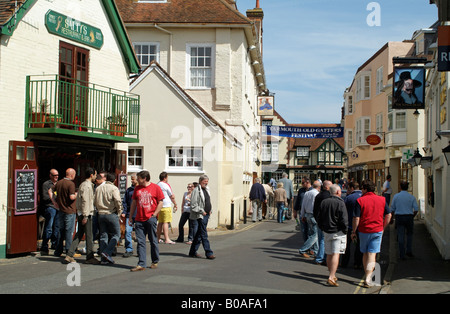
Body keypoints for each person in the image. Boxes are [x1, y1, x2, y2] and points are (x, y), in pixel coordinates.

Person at [352, 180, 392, 288]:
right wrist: (383, 227)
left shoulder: (360, 200)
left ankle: (367, 275)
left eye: (362, 189)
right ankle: (369, 278)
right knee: (372, 254)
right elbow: (388, 215)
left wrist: (353, 231)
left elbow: (356, 218)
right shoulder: (382, 200)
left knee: (365, 253)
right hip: (377, 230)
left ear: (365, 189)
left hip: (364, 230)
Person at [129, 170, 164, 271]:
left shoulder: (155, 188)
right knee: (140, 242)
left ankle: (155, 260)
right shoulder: (137, 189)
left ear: (144, 178)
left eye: (139, 178)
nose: (137, 180)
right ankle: (141, 264)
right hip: (139, 219)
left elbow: (160, 202)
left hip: (150, 218)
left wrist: (154, 215)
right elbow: (134, 203)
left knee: (153, 240)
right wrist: (131, 217)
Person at [64, 167, 100, 264]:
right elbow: (85, 201)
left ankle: (69, 254)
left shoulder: (83, 184)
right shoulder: (87, 186)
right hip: (86, 213)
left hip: (82, 212)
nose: (96, 177)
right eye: (95, 175)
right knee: (89, 235)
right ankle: (89, 257)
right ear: (91, 175)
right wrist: (85, 216)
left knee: (79, 234)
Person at [317, 184, 348, 287]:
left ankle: (331, 274)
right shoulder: (340, 203)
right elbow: (344, 219)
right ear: (338, 192)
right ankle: (331, 276)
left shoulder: (324, 202)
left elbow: (319, 217)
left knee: (329, 254)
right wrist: (345, 230)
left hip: (326, 231)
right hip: (337, 232)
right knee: (336, 254)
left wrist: (322, 227)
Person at [94, 172, 123, 264]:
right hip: (111, 213)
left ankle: (103, 259)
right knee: (116, 234)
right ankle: (107, 252)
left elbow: (94, 200)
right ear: (114, 180)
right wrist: (119, 211)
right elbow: (118, 200)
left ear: (106, 179)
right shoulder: (114, 188)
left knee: (103, 235)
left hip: (100, 213)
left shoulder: (98, 188)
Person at [189, 175, 215, 260]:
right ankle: (209, 253)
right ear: (200, 181)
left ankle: (192, 252)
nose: (206, 183)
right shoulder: (196, 191)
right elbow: (193, 205)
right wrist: (202, 211)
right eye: (205, 181)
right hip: (201, 215)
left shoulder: (206, 190)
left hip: (206, 214)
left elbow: (207, 201)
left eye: (207, 181)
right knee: (204, 234)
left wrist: (210, 210)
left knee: (199, 234)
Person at [390, 181, 419, 260]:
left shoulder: (396, 196)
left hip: (399, 217)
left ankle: (401, 254)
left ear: (400, 187)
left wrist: (391, 218)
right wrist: (412, 216)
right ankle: (409, 251)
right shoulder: (411, 197)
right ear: (407, 187)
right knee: (409, 235)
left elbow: (392, 208)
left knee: (400, 235)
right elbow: (416, 209)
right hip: (409, 216)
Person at [52, 168, 77, 257]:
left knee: (61, 231)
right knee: (69, 231)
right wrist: (77, 194)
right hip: (69, 210)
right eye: (74, 174)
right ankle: (69, 251)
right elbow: (71, 197)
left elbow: (51, 191)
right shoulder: (71, 184)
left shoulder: (59, 182)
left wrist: (54, 202)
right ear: (71, 175)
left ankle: (58, 251)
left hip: (61, 210)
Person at [342, 182, 363, 269]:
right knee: (358, 246)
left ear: (351, 188)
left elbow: (343, 211)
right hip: (360, 225)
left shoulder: (348, 198)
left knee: (346, 246)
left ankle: (344, 263)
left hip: (349, 225)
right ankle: (357, 263)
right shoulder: (363, 197)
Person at [298, 180, 321, 258]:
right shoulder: (317, 194)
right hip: (313, 215)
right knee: (315, 235)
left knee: (313, 234)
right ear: (319, 187)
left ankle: (315, 251)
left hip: (307, 214)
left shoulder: (307, 193)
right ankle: (303, 249)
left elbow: (303, 205)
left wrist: (302, 215)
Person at [40, 169, 60, 255]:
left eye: (57, 175)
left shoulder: (59, 184)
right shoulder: (46, 184)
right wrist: (54, 197)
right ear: (50, 176)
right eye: (55, 175)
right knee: (49, 227)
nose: (56, 177)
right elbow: (45, 197)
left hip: (57, 207)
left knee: (56, 226)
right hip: (50, 207)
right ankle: (44, 245)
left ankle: (54, 243)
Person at [313, 180, 332, 266]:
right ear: (327, 187)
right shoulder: (328, 196)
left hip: (319, 220)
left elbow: (315, 209)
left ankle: (320, 257)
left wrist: (317, 218)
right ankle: (321, 258)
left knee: (321, 238)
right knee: (323, 240)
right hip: (325, 221)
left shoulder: (318, 195)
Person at [157, 172, 177, 244]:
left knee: (160, 223)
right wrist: (175, 203)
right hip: (166, 205)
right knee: (166, 222)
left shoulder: (157, 185)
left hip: (159, 205)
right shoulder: (166, 185)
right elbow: (171, 196)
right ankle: (167, 239)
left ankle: (158, 238)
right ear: (165, 178)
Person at [121, 173, 137, 257]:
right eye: (131, 179)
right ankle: (129, 249)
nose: (132, 180)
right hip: (129, 214)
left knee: (139, 233)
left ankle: (140, 250)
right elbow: (125, 202)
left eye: (133, 179)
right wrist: (124, 211)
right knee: (127, 231)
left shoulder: (141, 189)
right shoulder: (129, 190)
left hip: (138, 215)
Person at [294, 177, 312, 242]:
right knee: (304, 231)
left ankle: (310, 248)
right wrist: (295, 211)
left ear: (307, 182)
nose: (301, 184)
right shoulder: (301, 190)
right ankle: (306, 245)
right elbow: (298, 201)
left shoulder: (313, 191)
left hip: (310, 213)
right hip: (302, 213)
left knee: (310, 231)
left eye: (302, 183)